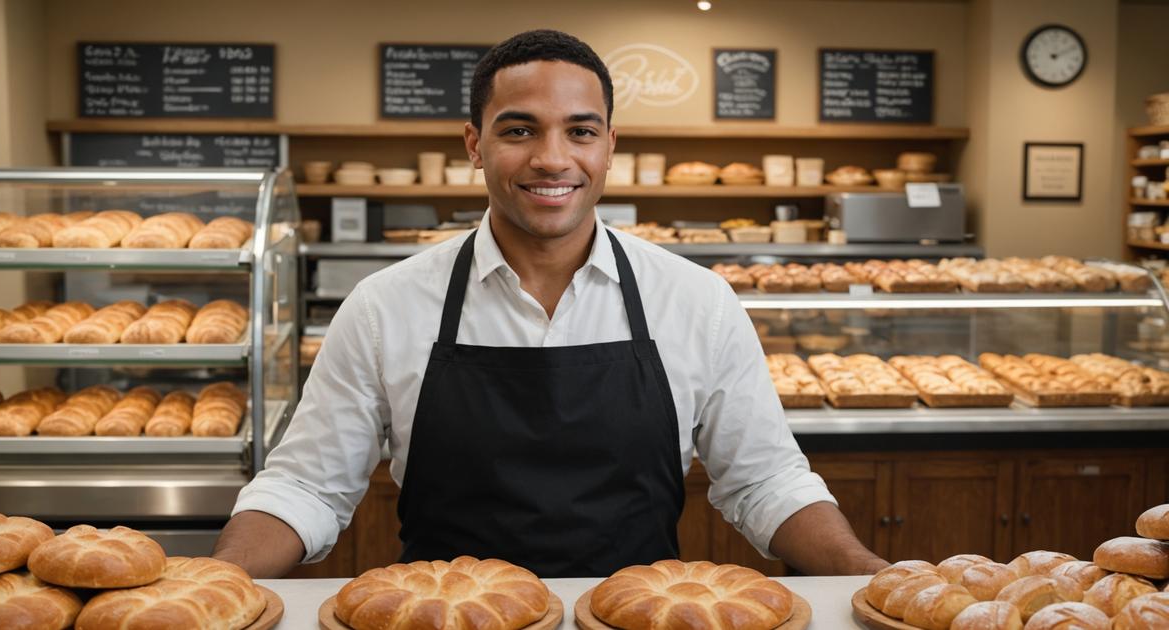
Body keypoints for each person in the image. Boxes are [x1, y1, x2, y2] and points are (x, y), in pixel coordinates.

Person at [213, 29, 888, 579]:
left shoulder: (695, 301)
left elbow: (766, 481)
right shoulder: (386, 306)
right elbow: (306, 488)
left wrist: (864, 573)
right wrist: (217, 584)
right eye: (519, 131)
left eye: (581, 131)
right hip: (446, 621)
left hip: (636, 621)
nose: (552, 158)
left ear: (610, 147)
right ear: (474, 146)